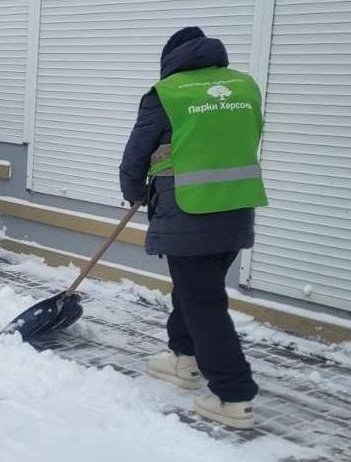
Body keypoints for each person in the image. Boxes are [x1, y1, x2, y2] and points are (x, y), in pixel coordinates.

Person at [119, 26, 267, 430]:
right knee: (196, 289)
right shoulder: (244, 88)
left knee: (203, 301)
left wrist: (134, 192)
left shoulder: (166, 94)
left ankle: (233, 394)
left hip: (189, 211)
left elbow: (135, 158)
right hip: (237, 206)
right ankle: (184, 358)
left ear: (172, 58)